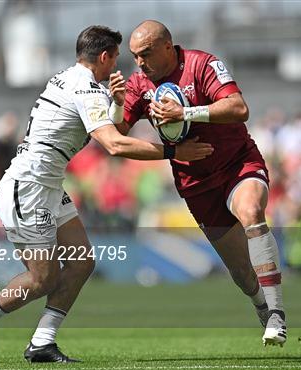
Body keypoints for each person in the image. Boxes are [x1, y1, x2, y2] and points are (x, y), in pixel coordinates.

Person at [0, 25, 213, 364]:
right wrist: (174, 151)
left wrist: (118, 102)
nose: (119, 67)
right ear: (106, 56)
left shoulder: (67, 78)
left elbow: (98, 126)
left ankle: (42, 343)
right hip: (28, 188)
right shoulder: (87, 90)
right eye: (117, 59)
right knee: (43, 278)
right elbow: (114, 143)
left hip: (47, 185)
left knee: (82, 262)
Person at [110, 20, 286, 346]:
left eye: (145, 54)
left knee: (251, 212)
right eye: (134, 56)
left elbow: (239, 108)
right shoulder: (138, 83)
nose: (139, 63)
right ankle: (262, 305)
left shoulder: (202, 64)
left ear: (167, 46)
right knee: (242, 274)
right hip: (196, 184)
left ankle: (277, 312)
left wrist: (186, 114)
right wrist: (118, 103)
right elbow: (118, 133)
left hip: (237, 163)